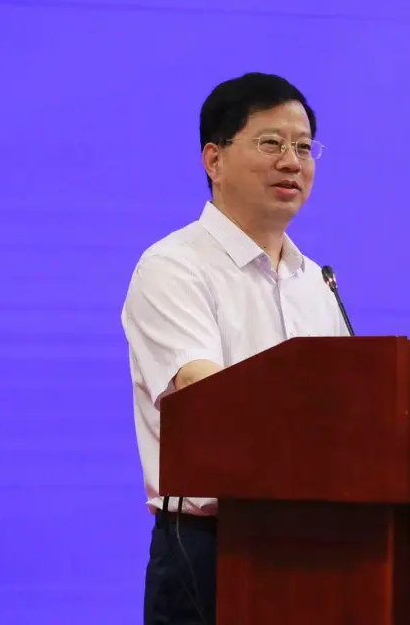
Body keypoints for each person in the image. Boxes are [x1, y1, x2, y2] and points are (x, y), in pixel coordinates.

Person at [120, 73, 350, 624]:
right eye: (271, 143)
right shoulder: (174, 267)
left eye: (303, 147)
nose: (291, 162)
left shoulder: (316, 282)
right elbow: (206, 393)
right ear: (214, 160)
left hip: (315, 544)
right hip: (211, 547)